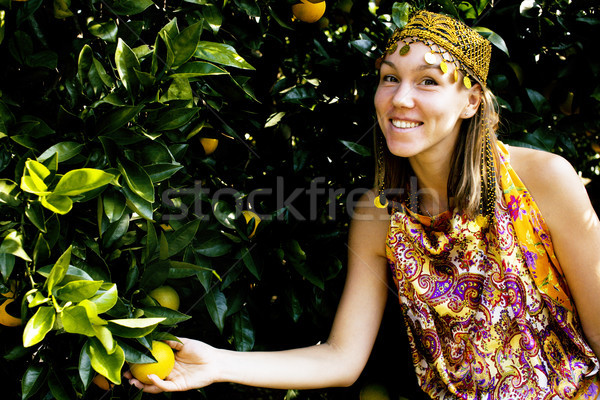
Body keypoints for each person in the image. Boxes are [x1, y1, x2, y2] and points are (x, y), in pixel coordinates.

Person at [125, 10, 600, 399]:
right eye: (390, 78)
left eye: (428, 82)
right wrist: (218, 362)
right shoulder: (379, 216)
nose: (401, 98)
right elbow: (342, 358)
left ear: (472, 101)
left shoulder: (541, 179)